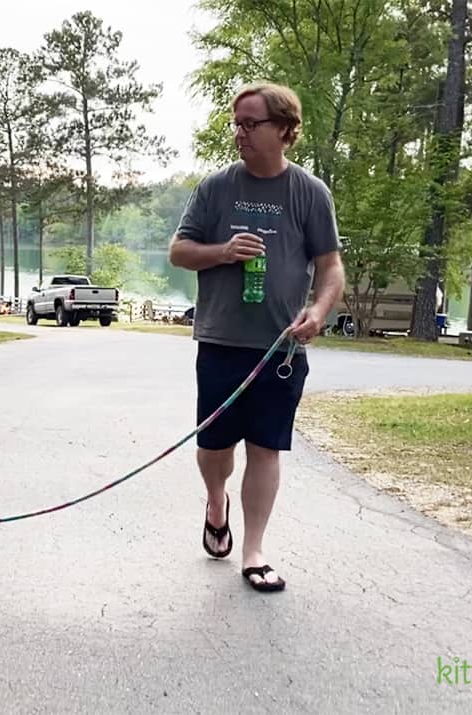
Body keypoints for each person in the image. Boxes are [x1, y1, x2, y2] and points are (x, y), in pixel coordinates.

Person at [168, 80, 345, 592]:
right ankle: (215, 502)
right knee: (216, 448)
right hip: (222, 342)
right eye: (237, 124)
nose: (241, 133)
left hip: (282, 349)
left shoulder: (310, 192)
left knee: (265, 448)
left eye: (252, 123)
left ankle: (254, 551)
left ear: (286, 131)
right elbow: (180, 252)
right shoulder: (216, 188)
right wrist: (222, 251)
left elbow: (331, 268)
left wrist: (318, 311)